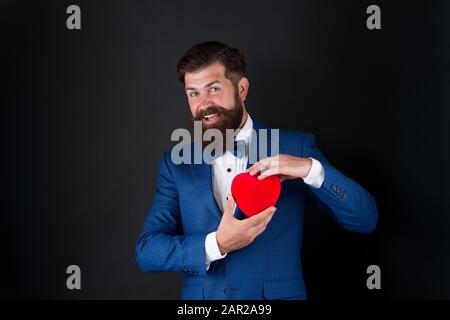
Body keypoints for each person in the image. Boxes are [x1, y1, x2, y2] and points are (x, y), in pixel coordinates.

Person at [135, 41, 378, 300]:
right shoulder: (176, 163)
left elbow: (365, 220)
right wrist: (216, 244)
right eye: (193, 93)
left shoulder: (296, 146)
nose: (203, 104)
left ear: (242, 89)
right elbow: (147, 251)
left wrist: (310, 169)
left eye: (213, 89)